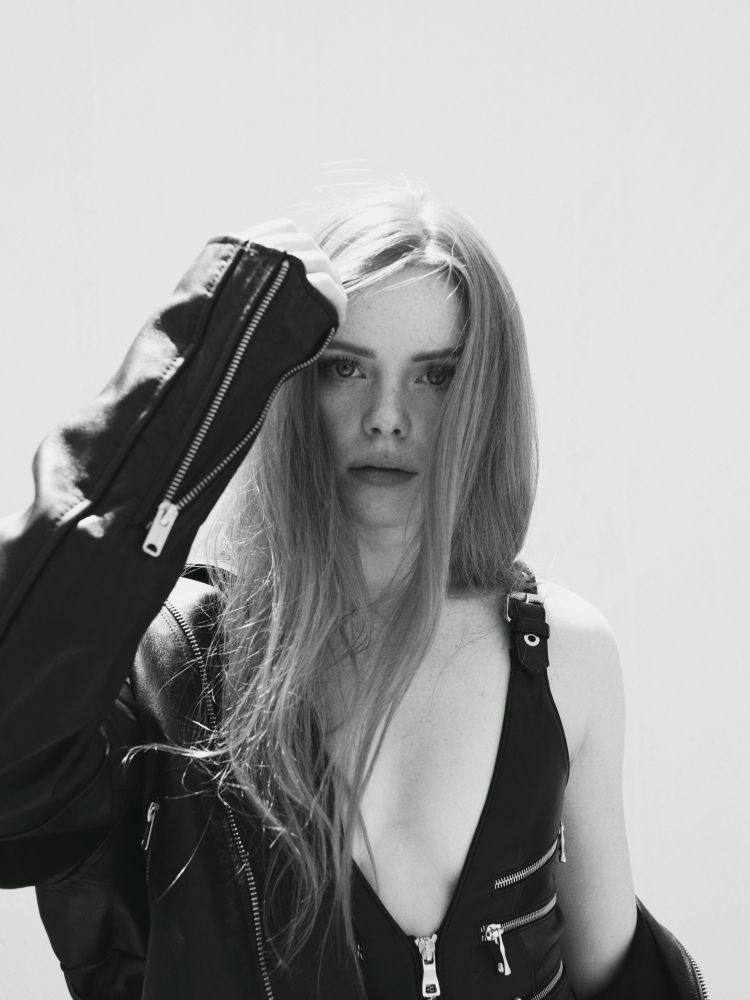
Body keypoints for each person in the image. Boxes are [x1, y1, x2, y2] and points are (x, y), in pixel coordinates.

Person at [0, 184, 707, 999]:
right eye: (344, 368)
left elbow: (619, 978)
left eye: (436, 376)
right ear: (291, 385)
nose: (386, 417)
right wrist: (210, 361)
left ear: (486, 397)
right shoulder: (172, 663)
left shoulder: (560, 655)